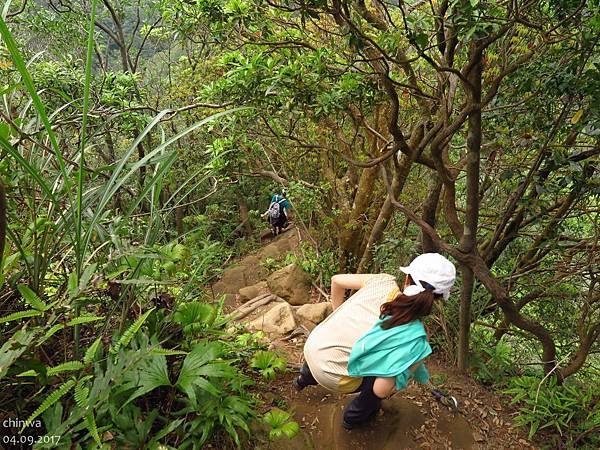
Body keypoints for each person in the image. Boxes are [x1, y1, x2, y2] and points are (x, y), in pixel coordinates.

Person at [293, 253, 456, 429]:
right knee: (376, 388)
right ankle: (352, 419)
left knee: (331, 351)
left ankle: (301, 381)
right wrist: (403, 376)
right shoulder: (415, 339)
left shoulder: (382, 282)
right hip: (333, 375)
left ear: (407, 278)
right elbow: (381, 389)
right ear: (437, 300)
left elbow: (337, 281)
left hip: (313, 344)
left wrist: (336, 313)